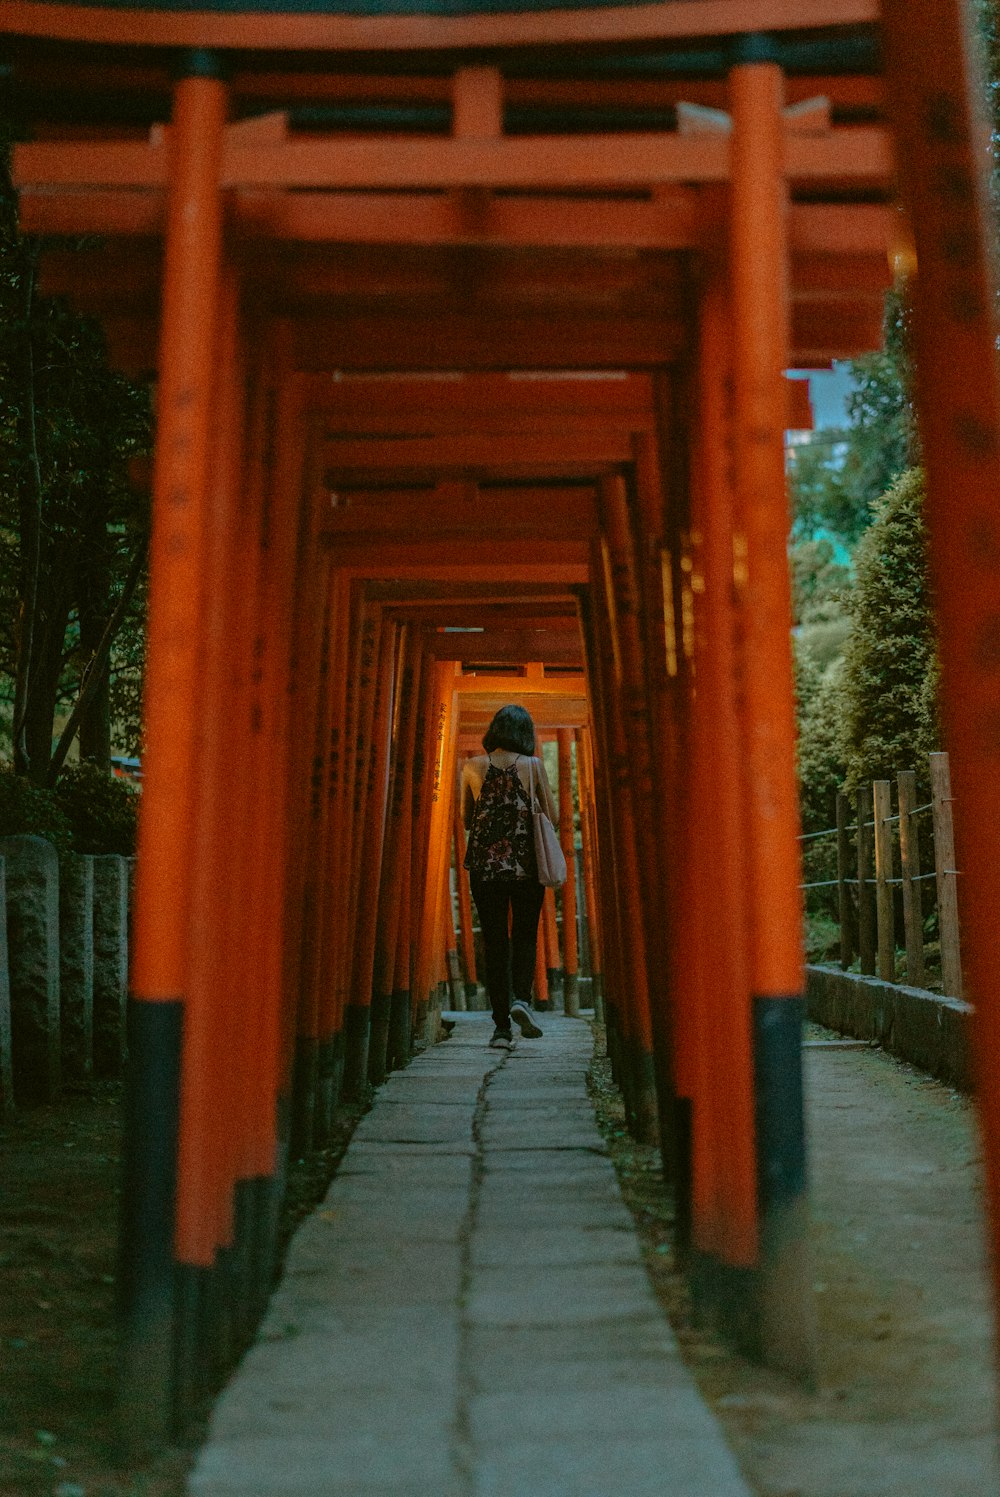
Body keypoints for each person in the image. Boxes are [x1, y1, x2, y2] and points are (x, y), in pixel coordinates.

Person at [461, 704, 558, 1050]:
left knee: (495, 942)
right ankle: (522, 1000)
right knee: (524, 936)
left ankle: (500, 1028)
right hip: (525, 867)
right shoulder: (532, 766)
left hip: (485, 870)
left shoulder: (471, 766)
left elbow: (468, 819)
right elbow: (551, 813)